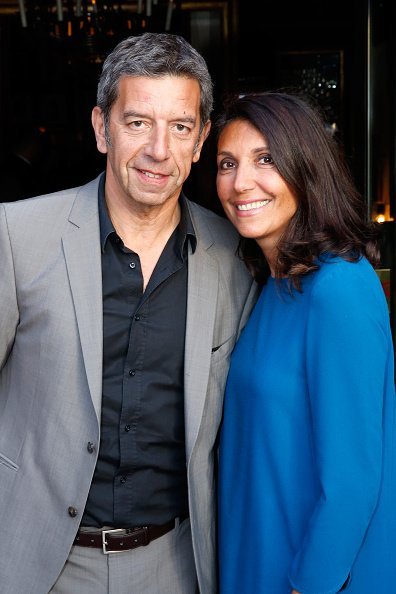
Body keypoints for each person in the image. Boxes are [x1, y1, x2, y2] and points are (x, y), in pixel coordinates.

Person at [0, 33, 257, 594]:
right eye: (138, 122)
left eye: (180, 127)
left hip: (175, 564)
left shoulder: (232, 256)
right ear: (102, 128)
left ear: (200, 140)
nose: (159, 149)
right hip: (36, 563)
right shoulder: (16, 236)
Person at [216, 92, 396, 594]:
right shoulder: (271, 285)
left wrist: (309, 583)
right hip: (256, 554)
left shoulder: (338, 288)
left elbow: (354, 480)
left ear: (306, 167)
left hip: (309, 573)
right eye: (227, 163)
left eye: (265, 160)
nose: (240, 182)